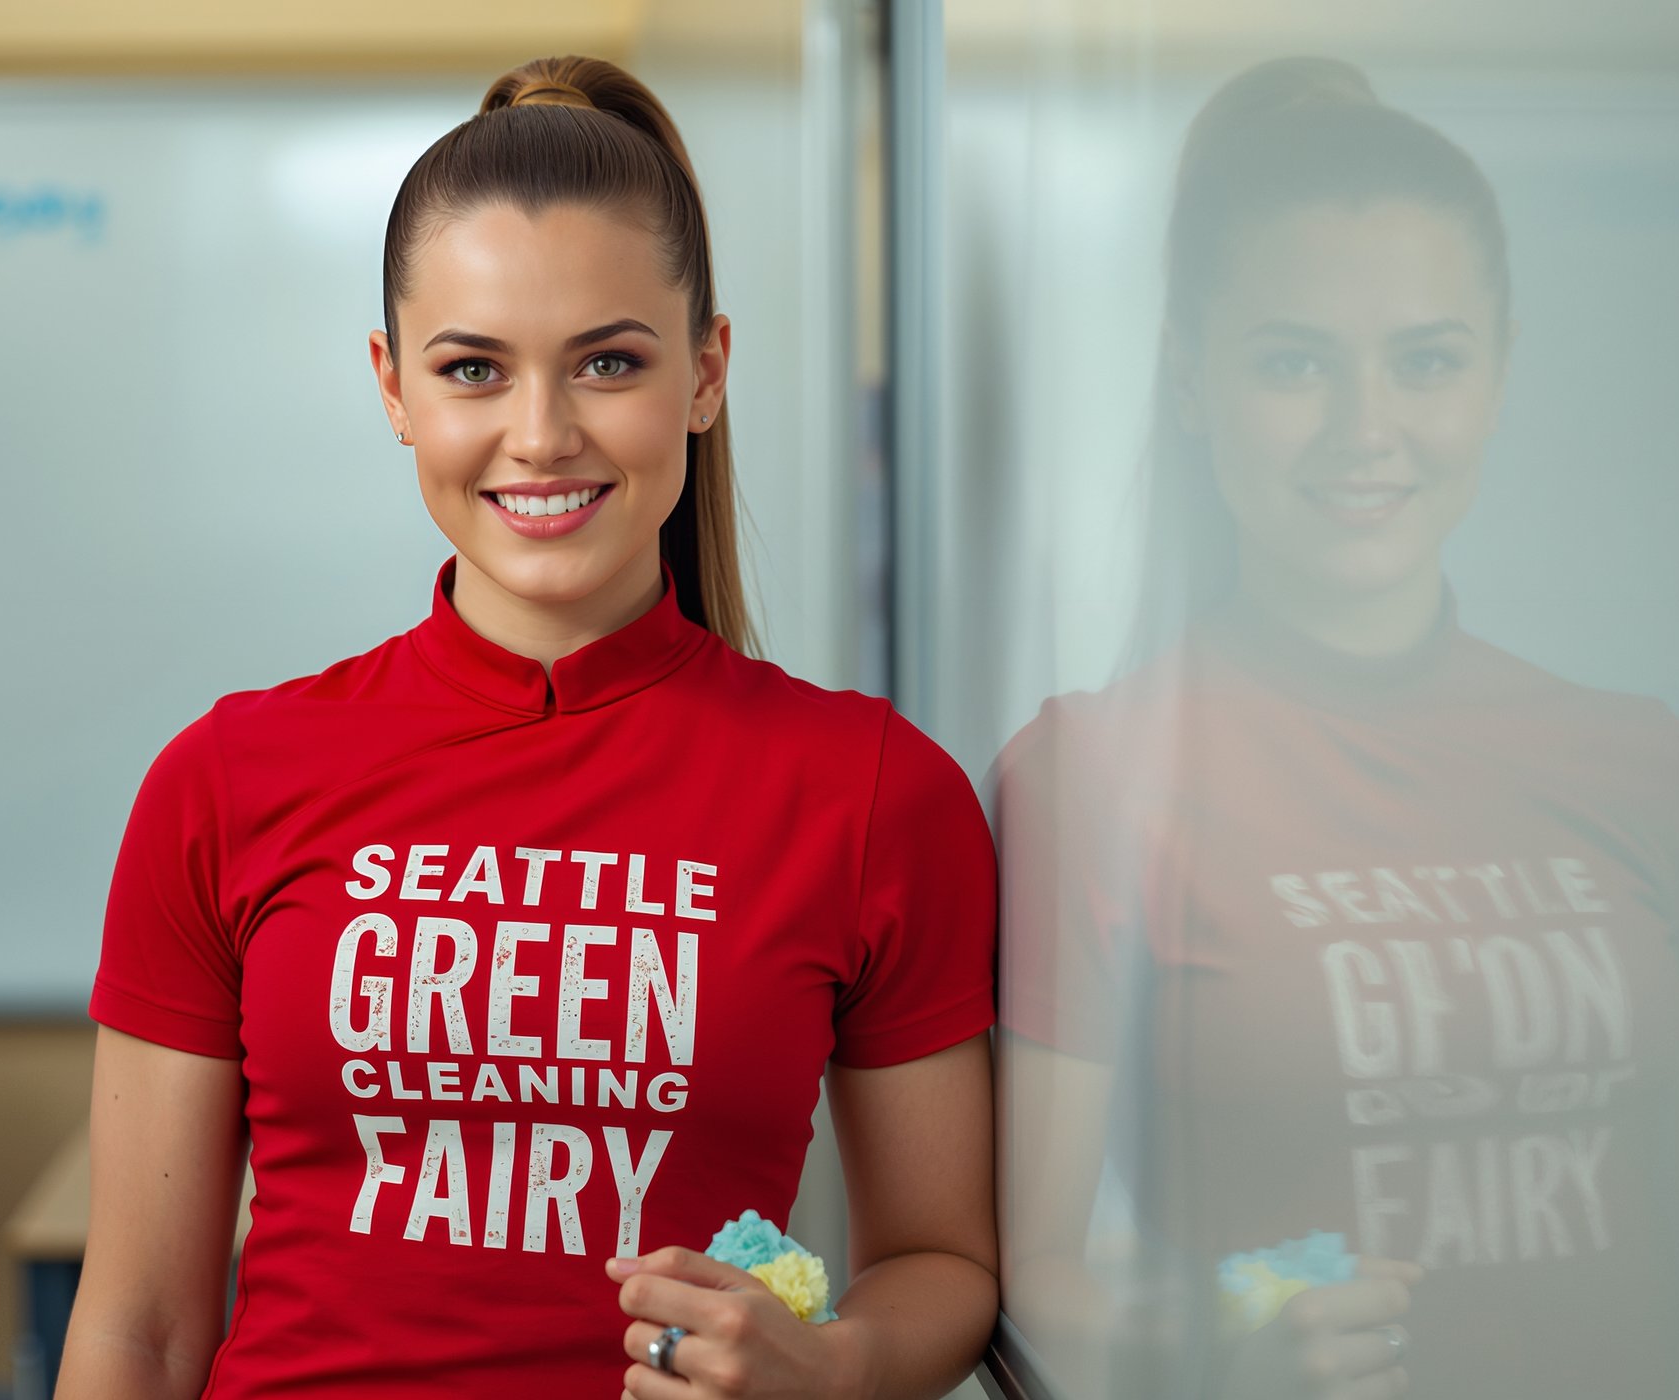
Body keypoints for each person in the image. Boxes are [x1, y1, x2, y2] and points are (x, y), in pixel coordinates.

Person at [61, 55, 999, 1400]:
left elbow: (941, 1260)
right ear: (394, 388)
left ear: (706, 371)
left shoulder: (870, 793)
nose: (541, 433)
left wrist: (833, 1367)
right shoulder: (225, 782)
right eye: (473, 369)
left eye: (608, 362)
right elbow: (140, 1329)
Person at [992, 57, 1679, 1400]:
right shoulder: (1089, 780)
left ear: (1497, 377)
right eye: (1292, 364)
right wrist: (1196, 1360)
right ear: (1193, 382)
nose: (1365, 429)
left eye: (1425, 361)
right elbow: (1024, 1291)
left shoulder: (1655, 771)